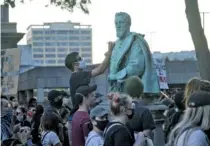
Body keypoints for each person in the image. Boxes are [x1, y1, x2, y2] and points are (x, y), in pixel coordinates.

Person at [108, 12, 159, 93]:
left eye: (121, 22)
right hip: (116, 89)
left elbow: (137, 67)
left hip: (132, 90)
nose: (118, 26)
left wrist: (116, 76)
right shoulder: (116, 43)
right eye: (116, 23)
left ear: (128, 24)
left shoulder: (135, 41)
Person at [65, 42, 114, 108]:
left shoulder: (76, 76)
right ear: (74, 64)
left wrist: (107, 57)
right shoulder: (77, 76)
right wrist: (110, 52)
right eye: (80, 59)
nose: (82, 60)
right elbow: (100, 70)